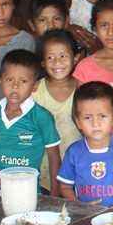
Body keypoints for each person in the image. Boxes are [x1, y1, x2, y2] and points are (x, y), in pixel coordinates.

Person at [0, 49, 62, 192]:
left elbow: (54, 157)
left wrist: (55, 196)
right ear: (0, 81)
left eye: (23, 81)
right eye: (9, 80)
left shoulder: (41, 117)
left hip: (28, 192)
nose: (15, 86)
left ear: (35, 86)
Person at [58, 81, 113, 208]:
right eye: (87, 117)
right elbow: (65, 187)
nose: (95, 123)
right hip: (86, 216)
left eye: (103, 116)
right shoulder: (74, 152)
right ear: (78, 122)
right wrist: (81, 207)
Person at [73, 0, 113, 142]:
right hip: (102, 146)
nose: (110, 32)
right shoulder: (86, 67)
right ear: (94, 28)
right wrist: (96, 144)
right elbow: (77, 111)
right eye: (103, 25)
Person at [32, 29, 82, 192]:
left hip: (77, 168)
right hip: (44, 168)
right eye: (50, 57)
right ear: (42, 62)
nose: (57, 62)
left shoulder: (83, 88)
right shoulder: (35, 91)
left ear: (76, 58)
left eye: (63, 56)